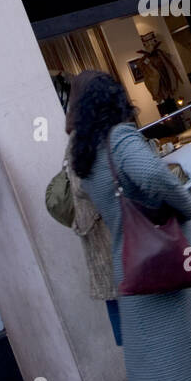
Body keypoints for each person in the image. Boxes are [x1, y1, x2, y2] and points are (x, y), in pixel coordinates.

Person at [70, 73, 191, 381]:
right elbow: (154, 175)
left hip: (132, 261)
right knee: (171, 380)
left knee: (190, 352)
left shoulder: (83, 155)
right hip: (168, 252)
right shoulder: (119, 138)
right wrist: (185, 204)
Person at [63, 71, 122, 347]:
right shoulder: (81, 140)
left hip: (112, 242)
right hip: (109, 240)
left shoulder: (90, 135)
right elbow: (81, 188)